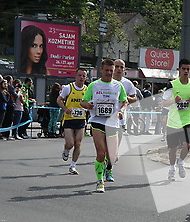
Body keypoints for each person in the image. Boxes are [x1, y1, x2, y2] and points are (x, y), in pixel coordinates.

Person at [80, 59, 128, 193]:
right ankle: (100, 181)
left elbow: (124, 101)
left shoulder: (118, 86)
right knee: (101, 153)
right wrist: (88, 105)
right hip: (97, 122)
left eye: (111, 71)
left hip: (113, 123)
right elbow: (82, 102)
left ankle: (109, 168)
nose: (109, 73)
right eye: (106, 70)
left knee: (111, 154)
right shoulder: (94, 85)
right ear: (101, 70)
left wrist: (121, 111)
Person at [160, 59, 190, 181]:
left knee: (187, 145)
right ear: (179, 70)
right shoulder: (172, 85)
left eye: (188, 69)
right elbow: (163, 103)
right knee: (173, 148)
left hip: (186, 121)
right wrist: (174, 101)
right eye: (184, 69)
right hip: (173, 121)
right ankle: (172, 169)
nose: (186, 71)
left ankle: (180, 162)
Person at [57, 68, 88, 175]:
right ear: (76, 76)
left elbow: (90, 102)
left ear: (86, 77)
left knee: (78, 143)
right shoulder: (68, 88)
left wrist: (88, 108)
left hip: (81, 120)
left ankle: (73, 166)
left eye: (83, 76)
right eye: (80, 75)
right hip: (69, 119)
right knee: (70, 143)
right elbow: (59, 100)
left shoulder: (87, 89)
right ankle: (66, 149)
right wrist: (65, 109)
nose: (81, 78)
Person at [112, 59, 137, 180]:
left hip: (121, 116)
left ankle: (114, 153)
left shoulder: (127, 84)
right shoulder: (106, 81)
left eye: (121, 67)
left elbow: (135, 98)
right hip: (106, 117)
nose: (119, 69)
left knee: (118, 138)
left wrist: (125, 97)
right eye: (116, 66)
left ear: (124, 70)